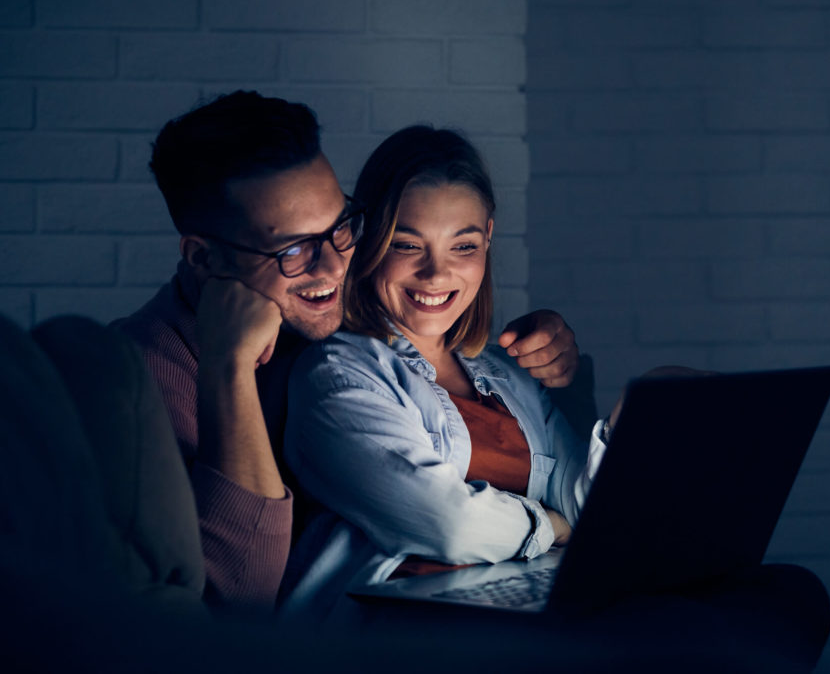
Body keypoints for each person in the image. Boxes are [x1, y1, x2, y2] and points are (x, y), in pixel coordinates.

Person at [113, 92, 585, 613]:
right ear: (204, 258)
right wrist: (229, 371)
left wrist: (552, 347)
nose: (336, 266)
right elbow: (231, 614)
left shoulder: (316, 326)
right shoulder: (131, 385)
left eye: (340, 227)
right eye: (293, 248)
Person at [281, 125, 610, 619]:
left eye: (463, 246)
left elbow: (584, 509)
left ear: (489, 238)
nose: (436, 275)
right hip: (388, 627)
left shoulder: (508, 375)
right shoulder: (337, 373)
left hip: (508, 607)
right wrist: (545, 525)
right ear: (369, 240)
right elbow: (446, 525)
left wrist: (633, 423)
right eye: (407, 245)